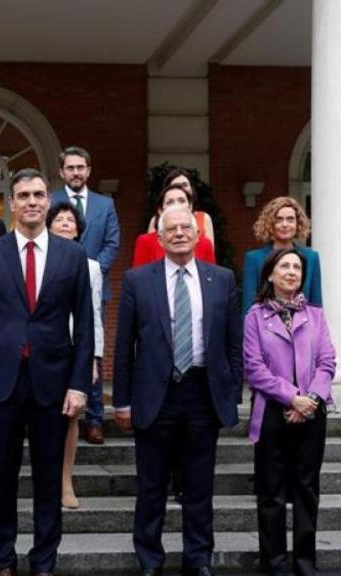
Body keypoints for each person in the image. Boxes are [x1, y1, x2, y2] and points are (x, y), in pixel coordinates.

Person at [0, 168, 94, 576]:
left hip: (53, 384)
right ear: (12, 202)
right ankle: (2, 561)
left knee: (48, 480)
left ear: (48, 201)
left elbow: (86, 326)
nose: (33, 202)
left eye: (39, 194)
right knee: (1, 480)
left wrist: (78, 385)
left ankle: (44, 561)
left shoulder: (73, 255)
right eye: (24, 195)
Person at [113, 205, 242, 576]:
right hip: (156, 395)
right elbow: (125, 347)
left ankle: (198, 558)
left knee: (200, 486)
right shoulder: (138, 280)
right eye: (172, 229)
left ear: (198, 235)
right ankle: (149, 559)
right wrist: (121, 401)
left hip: (203, 394)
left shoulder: (222, 279)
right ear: (160, 237)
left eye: (187, 227)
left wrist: (231, 394)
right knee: (151, 486)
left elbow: (233, 342)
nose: (180, 233)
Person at [244, 247, 336, 576]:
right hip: (272, 413)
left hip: (311, 413)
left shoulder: (316, 315)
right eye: (285, 266)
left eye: (297, 267)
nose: (292, 272)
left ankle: (305, 563)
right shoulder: (255, 316)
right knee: (271, 493)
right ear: (270, 273)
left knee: (306, 490)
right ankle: (274, 565)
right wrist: (292, 397)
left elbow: (327, 362)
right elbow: (254, 369)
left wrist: (309, 399)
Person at [51, 146, 118, 445]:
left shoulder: (105, 204)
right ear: (61, 171)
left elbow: (112, 243)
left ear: (89, 170)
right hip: (52, 289)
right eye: (70, 167)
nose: (76, 172)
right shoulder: (50, 201)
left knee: (93, 350)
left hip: (94, 287)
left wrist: (88, 270)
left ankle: (94, 419)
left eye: (81, 167)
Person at [46, 202, 103, 510]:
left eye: (71, 220)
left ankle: (65, 480)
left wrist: (93, 358)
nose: (65, 224)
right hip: (40, 350)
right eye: (59, 219)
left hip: (74, 349)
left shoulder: (89, 265)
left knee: (70, 417)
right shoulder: (36, 256)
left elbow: (94, 314)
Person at [242, 196, 322, 315]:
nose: (285, 224)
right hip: (265, 329)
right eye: (279, 219)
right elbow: (248, 307)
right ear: (270, 223)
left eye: (290, 219)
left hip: (304, 329)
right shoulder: (254, 259)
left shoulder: (311, 258)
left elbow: (316, 305)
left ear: (298, 223)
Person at [132, 181, 216, 267]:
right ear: (160, 210)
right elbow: (140, 277)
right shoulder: (145, 242)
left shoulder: (204, 244)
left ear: (190, 206)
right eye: (170, 202)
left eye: (181, 201)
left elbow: (210, 276)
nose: (176, 205)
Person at [146, 168, 216, 248]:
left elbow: (209, 254)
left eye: (185, 185)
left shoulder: (204, 218)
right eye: (176, 185)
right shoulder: (156, 220)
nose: (181, 189)